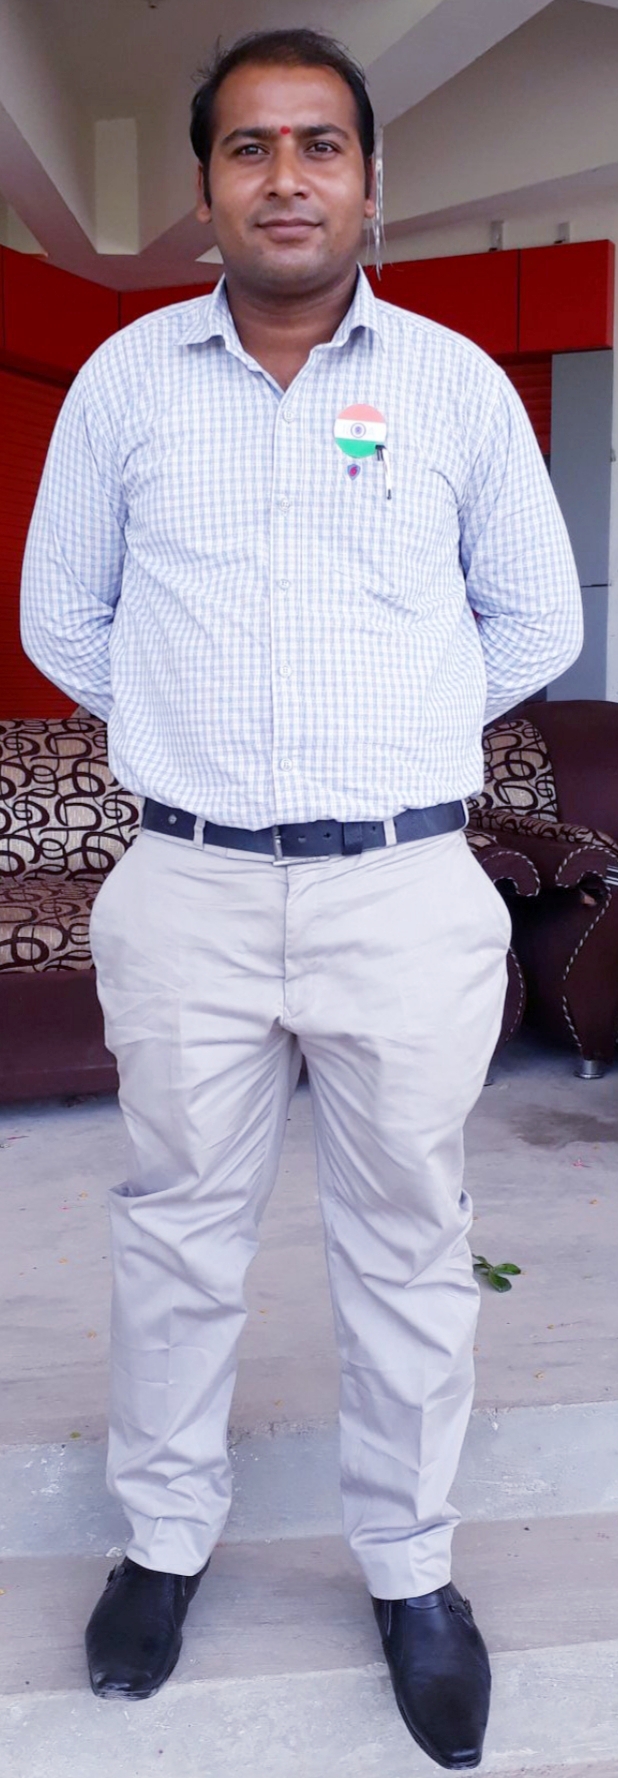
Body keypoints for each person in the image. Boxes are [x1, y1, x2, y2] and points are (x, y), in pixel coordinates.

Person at [21, 27, 582, 1771]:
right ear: (204, 189)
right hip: (186, 880)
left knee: (407, 1243)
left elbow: (535, 618)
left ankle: (410, 1571)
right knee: (175, 1232)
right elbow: (62, 617)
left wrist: (385, 734)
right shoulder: (124, 383)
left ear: (368, 184)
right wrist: (195, 733)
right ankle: (162, 1539)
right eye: (249, 147)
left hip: (401, 889)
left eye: (318, 145)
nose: (285, 177)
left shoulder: (452, 387)